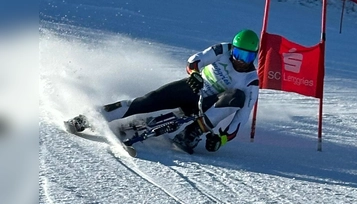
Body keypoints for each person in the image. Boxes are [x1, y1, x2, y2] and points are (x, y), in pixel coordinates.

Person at [67, 29, 260, 152]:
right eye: (238, 53)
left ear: (255, 57)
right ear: (232, 49)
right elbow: (195, 60)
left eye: (247, 56)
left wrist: (221, 139)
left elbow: (241, 119)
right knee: (146, 101)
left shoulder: (251, 82)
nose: (240, 60)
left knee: (237, 97)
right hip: (193, 89)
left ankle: (191, 133)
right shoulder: (222, 50)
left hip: (208, 106)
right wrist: (194, 74)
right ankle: (87, 118)